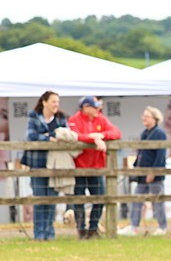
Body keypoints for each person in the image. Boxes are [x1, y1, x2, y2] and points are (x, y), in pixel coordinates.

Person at [67, 95, 121, 239]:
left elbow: (116, 132)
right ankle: (81, 230)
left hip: (97, 167)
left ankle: (92, 228)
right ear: (85, 107)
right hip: (79, 167)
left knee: (100, 199)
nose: (98, 108)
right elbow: (76, 136)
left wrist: (100, 135)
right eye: (94, 106)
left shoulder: (101, 118)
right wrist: (94, 138)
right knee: (79, 201)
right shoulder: (74, 120)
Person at [22, 90, 69, 241]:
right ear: (44, 102)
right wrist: (49, 139)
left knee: (52, 199)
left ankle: (50, 232)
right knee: (40, 198)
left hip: (55, 163)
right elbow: (31, 136)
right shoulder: (34, 116)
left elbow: (66, 135)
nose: (56, 104)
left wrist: (54, 138)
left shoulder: (61, 118)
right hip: (37, 163)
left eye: (57, 102)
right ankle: (39, 233)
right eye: (53, 101)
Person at [119, 107, 168, 236]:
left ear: (155, 118)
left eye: (147, 116)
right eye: (144, 116)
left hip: (154, 175)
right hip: (141, 173)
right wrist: (135, 166)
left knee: (157, 201)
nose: (144, 118)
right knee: (137, 199)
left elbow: (160, 155)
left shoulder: (159, 134)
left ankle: (162, 227)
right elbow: (141, 153)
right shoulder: (144, 133)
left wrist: (153, 172)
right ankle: (133, 226)